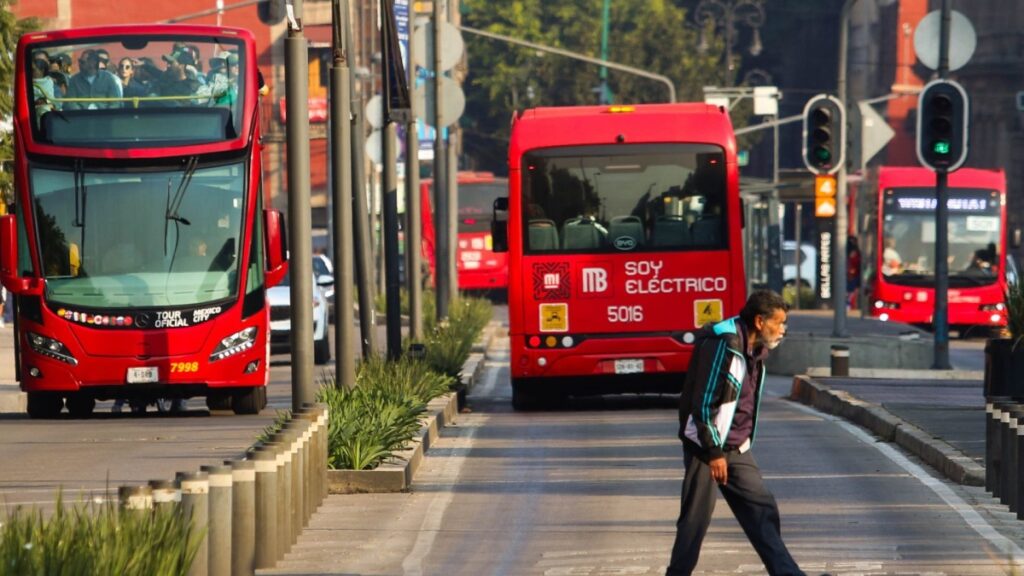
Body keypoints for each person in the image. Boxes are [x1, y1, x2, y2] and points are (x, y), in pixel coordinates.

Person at [667, 290, 805, 576]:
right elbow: (702, 403)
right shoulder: (724, 344)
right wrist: (713, 452)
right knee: (695, 521)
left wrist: (733, 446)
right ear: (759, 321)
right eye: (778, 323)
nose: (782, 330)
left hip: (737, 447)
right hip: (706, 449)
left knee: (763, 511)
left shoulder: (755, 351)